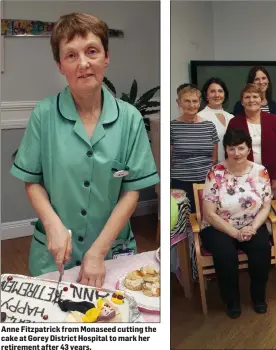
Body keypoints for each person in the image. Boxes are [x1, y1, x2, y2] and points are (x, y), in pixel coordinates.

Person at [10, 13, 159, 286]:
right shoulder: (44, 114)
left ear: (106, 57)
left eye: (92, 51)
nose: (83, 64)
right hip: (54, 255)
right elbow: (32, 182)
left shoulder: (130, 119)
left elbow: (131, 191)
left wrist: (99, 251)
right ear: (59, 65)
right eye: (71, 55)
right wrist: (53, 224)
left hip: (112, 251)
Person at [201, 129, 272, 319]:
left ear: (249, 148)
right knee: (226, 255)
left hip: (251, 223)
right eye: (231, 148)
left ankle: (258, 297)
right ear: (225, 149)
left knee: (261, 249)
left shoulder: (260, 171)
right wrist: (234, 232)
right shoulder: (215, 173)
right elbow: (208, 213)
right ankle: (231, 300)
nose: (237, 153)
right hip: (219, 226)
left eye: (241, 148)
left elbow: (266, 206)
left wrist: (253, 228)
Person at [170, 84, 219, 213]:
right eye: (187, 101)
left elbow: (214, 159)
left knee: (206, 218)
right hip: (181, 182)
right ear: (179, 102)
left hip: (206, 182)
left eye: (195, 101)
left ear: (199, 103)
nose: (191, 105)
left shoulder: (209, 126)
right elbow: (168, 160)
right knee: (182, 220)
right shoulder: (171, 127)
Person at [227, 84, 276, 197]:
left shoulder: (273, 120)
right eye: (247, 97)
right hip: (243, 178)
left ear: (261, 99)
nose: (251, 100)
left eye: (255, 96)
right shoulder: (234, 122)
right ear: (242, 101)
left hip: (271, 176)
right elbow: (229, 152)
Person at [198, 77, 234, 162]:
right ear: (206, 95)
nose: (217, 95)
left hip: (232, 168)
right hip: (210, 168)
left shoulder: (232, 117)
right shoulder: (199, 118)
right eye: (212, 91)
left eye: (220, 91)